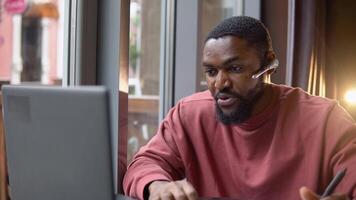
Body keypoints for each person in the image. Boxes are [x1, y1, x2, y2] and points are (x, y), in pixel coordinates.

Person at [123, 16, 356, 200]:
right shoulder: (189, 115)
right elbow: (143, 165)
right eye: (211, 72)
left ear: (268, 64)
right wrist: (158, 186)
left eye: (235, 69)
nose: (220, 84)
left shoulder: (325, 119)